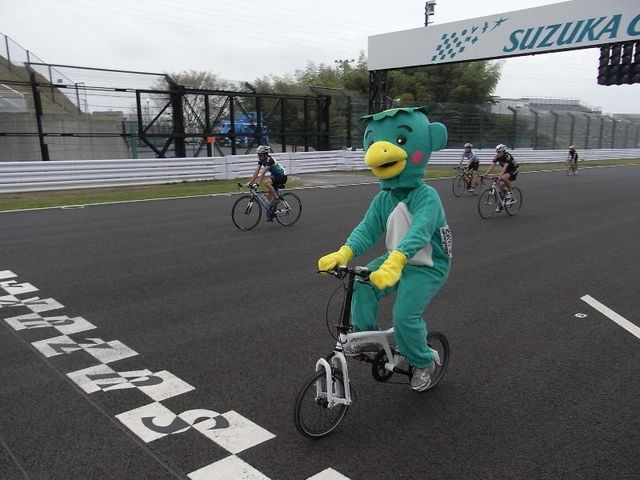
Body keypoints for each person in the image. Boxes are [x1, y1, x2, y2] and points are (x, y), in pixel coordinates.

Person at [317, 107, 451, 392]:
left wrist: (397, 260)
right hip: (395, 259)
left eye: (400, 141)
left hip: (427, 264)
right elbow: (367, 229)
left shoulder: (426, 196)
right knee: (362, 283)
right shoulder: (384, 198)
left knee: (405, 316)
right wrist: (344, 253)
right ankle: (366, 337)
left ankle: (424, 361)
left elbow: (420, 231)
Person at [246, 145, 288, 221]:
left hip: (282, 176)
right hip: (275, 177)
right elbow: (257, 171)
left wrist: (257, 184)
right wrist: (250, 182)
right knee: (267, 197)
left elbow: (263, 173)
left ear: (265, 155)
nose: (259, 157)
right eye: (258, 155)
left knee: (267, 182)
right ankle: (272, 213)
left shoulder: (270, 160)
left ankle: (276, 198)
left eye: (260, 155)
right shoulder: (261, 160)